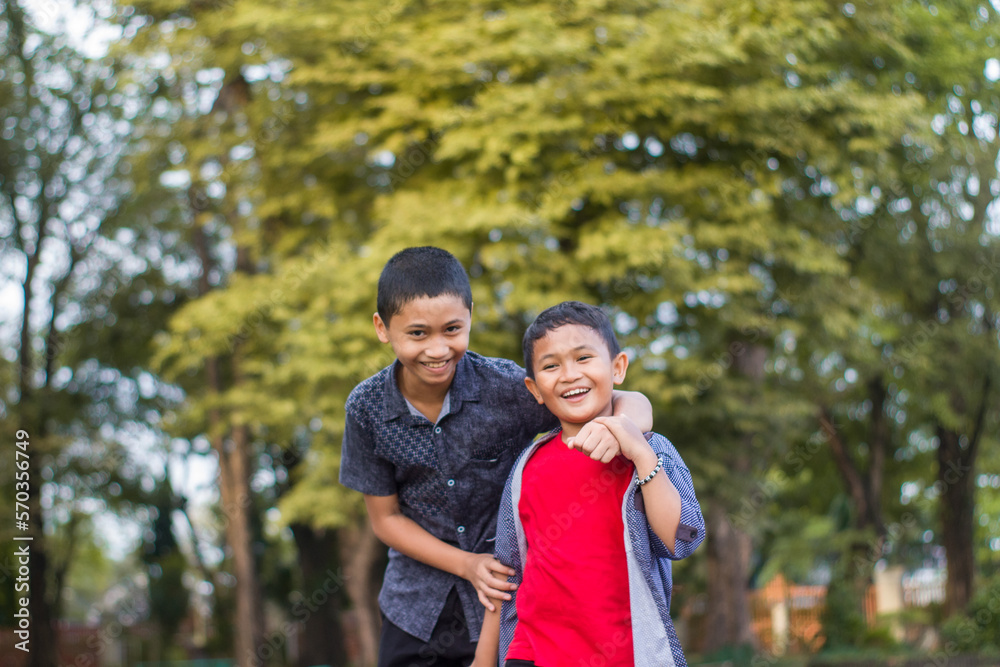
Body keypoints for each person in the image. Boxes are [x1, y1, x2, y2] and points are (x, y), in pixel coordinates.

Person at [339, 248, 654, 667]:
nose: (437, 349)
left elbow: (618, 398)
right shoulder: (366, 408)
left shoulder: (507, 388)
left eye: (452, 329)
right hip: (414, 608)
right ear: (383, 328)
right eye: (418, 334)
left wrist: (626, 431)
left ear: (470, 315)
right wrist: (466, 564)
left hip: (506, 607)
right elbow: (385, 519)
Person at [472, 301, 705, 667]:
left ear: (618, 367)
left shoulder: (650, 449)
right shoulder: (526, 466)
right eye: (551, 366)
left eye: (584, 358)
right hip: (531, 653)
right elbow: (509, 571)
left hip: (624, 654)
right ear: (534, 388)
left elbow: (680, 539)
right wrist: (482, 662)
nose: (568, 375)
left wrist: (641, 455)